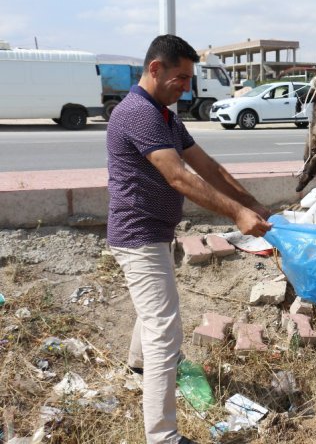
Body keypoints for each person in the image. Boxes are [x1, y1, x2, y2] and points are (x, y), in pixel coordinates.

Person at [106, 34, 272, 443]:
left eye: (189, 79)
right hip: (137, 235)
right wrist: (237, 213)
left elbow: (208, 167)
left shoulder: (165, 116)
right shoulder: (138, 114)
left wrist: (252, 204)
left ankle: (139, 367)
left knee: (154, 313)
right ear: (155, 69)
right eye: (180, 78)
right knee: (165, 327)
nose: (186, 87)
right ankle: (162, 436)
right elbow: (180, 176)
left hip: (156, 233)